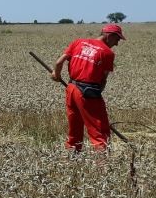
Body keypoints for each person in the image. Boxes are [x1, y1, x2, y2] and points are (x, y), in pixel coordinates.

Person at [52, 23, 126, 152]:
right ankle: (103, 166)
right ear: (109, 36)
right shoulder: (107, 53)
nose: (117, 43)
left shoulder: (78, 42)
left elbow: (59, 62)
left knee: (74, 130)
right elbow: (103, 80)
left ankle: (71, 158)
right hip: (88, 92)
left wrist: (56, 74)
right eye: (117, 39)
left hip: (71, 88)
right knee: (99, 132)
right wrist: (95, 98)